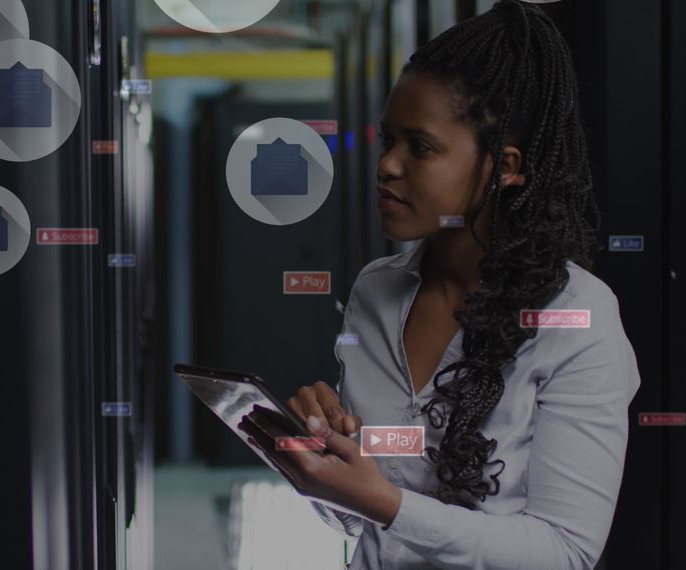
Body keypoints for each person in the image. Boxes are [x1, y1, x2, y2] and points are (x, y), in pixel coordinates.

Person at [239, 1, 642, 568]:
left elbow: (565, 551)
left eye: (420, 148)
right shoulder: (376, 292)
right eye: (388, 141)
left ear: (503, 167)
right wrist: (328, 461)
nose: (388, 166)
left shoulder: (576, 318)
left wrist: (385, 501)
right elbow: (358, 519)